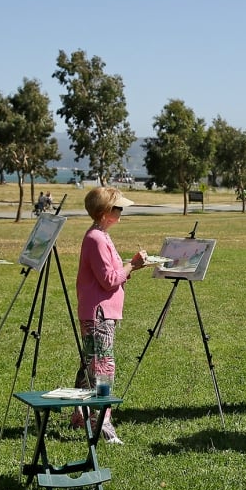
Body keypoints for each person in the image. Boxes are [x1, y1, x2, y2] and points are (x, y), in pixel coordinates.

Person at [74, 186, 148, 443]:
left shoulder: (100, 236)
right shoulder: (96, 238)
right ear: (105, 212)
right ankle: (102, 426)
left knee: (90, 364)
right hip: (99, 314)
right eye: (118, 208)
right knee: (103, 368)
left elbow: (112, 273)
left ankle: (80, 417)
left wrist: (130, 267)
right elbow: (109, 279)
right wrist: (133, 264)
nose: (121, 212)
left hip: (100, 312)